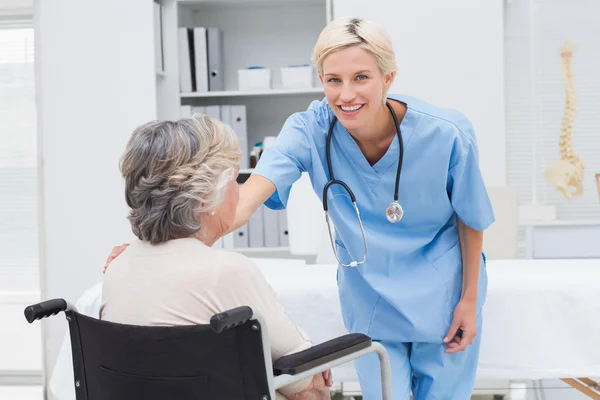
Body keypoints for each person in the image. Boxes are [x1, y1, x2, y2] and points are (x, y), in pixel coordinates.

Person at [229, 16, 496, 400]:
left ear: (388, 78)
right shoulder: (309, 131)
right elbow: (242, 204)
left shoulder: (446, 133)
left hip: (444, 295)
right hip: (370, 298)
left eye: (361, 77)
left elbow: (471, 219)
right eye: (333, 80)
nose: (346, 94)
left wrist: (469, 300)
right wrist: (159, 240)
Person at [100, 115, 332, 400]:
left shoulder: (118, 267)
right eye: (235, 180)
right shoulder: (227, 272)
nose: (239, 191)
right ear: (204, 199)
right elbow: (305, 378)